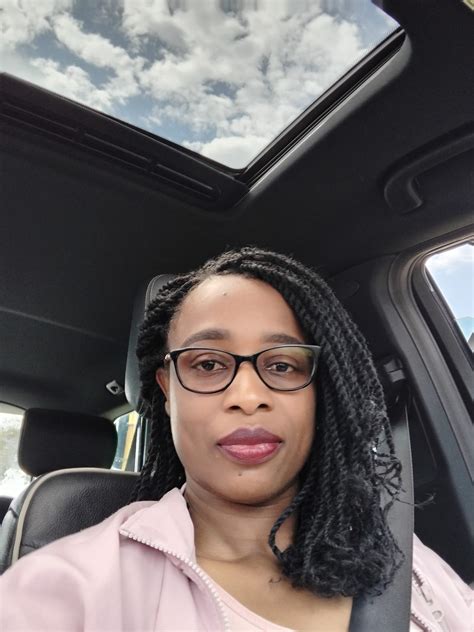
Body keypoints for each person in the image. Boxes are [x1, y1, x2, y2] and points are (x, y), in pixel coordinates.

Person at [0, 247, 471, 631]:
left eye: (282, 364)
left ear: (318, 393)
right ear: (167, 392)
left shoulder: (399, 555)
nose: (248, 397)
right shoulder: (67, 590)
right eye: (207, 364)